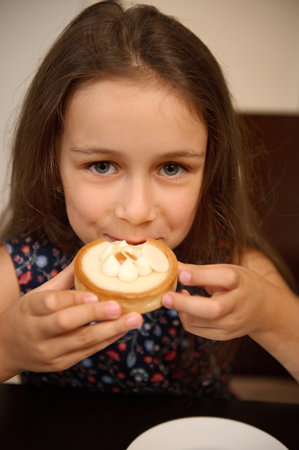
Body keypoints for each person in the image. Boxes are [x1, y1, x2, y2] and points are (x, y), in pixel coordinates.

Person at [0, 1, 298, 394]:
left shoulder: (235, 271)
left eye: (172, 168)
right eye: (103, 165)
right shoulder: (21, 273)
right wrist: (9, 349)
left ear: (209, 171)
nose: (137, 212)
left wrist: (272, 315)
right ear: (53, 165)